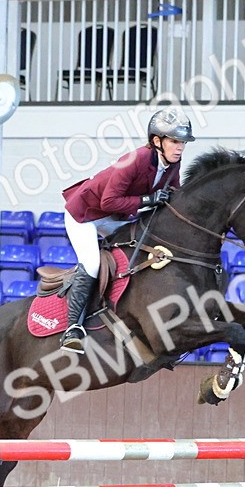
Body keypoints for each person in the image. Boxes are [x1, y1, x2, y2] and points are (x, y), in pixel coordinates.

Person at [57, 107, 194, 353]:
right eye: (175, 141)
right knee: (91, 263)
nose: (180, 147)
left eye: (182, 142)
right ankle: (72, 329)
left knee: (138, 250)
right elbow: (108, 201)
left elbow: (173, 194)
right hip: (85, 215)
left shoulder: (173, 162)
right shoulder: (135, 160)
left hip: (115, 216)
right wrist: (147, 201)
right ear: (157, 141)